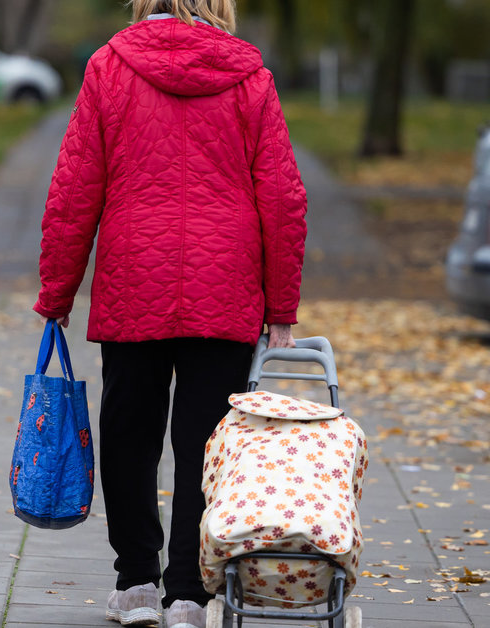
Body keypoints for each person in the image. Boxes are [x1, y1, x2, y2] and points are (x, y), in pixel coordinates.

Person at [33, 1, 307, 626]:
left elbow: (75, 188)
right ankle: (188, 595)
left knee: (129, 433)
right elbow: (282, 195)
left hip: (135, 275)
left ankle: (136, 585)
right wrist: (281, 306)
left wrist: (57, 291)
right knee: (207, 444)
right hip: (226, 279)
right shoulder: (249, 76)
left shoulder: (110, 66)